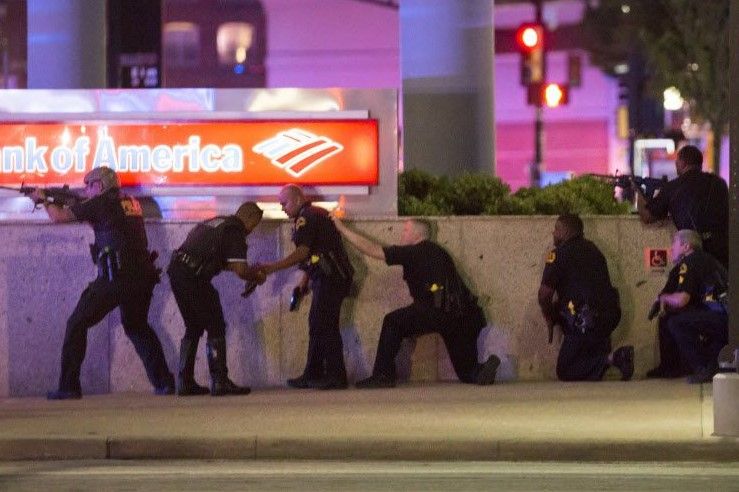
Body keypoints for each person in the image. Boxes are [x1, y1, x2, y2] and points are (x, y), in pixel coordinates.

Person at [30, 167, 175, 400]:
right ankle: (165, 382)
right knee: (138, 326)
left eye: (89, 185)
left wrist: (44, 199)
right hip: (142, 277)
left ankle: (69, 387)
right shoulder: (130, 203)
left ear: (100, 185)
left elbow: (59, 217)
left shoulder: (99, 203)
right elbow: (107, 224)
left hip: (115, 277)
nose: (86, 190)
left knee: (77, 323)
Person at [332, 216, 500, 388]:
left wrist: (342, 229)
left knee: (393, 321)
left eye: (406, 230)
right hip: (463, 314)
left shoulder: (413, 251)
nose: (402, 234)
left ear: (417, 234)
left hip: (434, 310)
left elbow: (373, 250)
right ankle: (482, 370)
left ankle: (383, 375)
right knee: (467, 372)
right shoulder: (439, 252)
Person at [260, 185, 354, 390]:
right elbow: (314, 255)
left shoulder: (306, 218)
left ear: (296, 199)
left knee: (325, 324)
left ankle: (336, 376)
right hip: (328, 276)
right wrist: (302, 284)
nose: (282, 208)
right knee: (318, 322)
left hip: (331, 277)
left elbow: (303, 252)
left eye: (284, 203)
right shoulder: (314, 214)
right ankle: (313, 373)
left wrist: (272, 268)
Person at [167, 202, 265, 396]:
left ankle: (185, 382)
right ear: (251, 218)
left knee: (193, 326)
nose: (252, 231)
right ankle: (219, 381)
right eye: (254, 225)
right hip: (194, 277)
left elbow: (221, 261)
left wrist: (247, 272)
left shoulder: (219, 222)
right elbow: (241, 270)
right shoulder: (235, 231)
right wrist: (257, 276)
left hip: (178, 271)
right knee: (216, 325)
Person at [537, 214, 634, 382]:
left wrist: (549, 316)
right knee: (589, 365)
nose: (553, 233)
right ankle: (604, 358)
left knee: (565, 370)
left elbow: (544, 295)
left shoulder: (558, 255)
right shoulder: (595, 250)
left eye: (556, 229)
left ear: (565, 231)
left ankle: (612, 359)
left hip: (585, 323)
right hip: (608, 319)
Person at [646, 230, 728, 384]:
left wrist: (662, 298)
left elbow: (682, 299)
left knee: (676, 322)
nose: (671, 249)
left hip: (722, 317)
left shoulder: (688, 263)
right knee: (673, 317)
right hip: (725, 315)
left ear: (685, 246)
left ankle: (704, 368)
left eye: (674, 244)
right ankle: (674, 367)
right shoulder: (706, 259)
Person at [636, 144, 729, 268]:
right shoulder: (719, 183)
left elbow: (647, 216)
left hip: (693, 252)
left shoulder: (672, 187)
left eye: (677, 161)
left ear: (683, 163)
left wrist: (637, 190)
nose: (675, 165)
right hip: (722, 251)